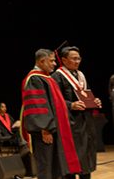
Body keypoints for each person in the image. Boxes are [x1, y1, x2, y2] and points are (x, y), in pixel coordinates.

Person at [20, 48, 81, 179]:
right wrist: (45, 128)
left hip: (53, 130)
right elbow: (38, 105)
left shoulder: (46, 78)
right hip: (45, 132)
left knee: (55, 167)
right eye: (52, 61)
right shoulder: (34, 79)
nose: (55, 64)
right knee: (46, 167)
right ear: (42, 61)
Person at [52, 46, 102, 179]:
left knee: (86, 159)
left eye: (79, 58)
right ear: (64, 60)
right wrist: (70, 105)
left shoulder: (80, 75)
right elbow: (54, 100)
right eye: (74, 58)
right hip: (70, 124)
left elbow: (85, 94)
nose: (77, 61)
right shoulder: (57, 76)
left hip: (85, 122)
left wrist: (94, 101)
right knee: (72, 159)